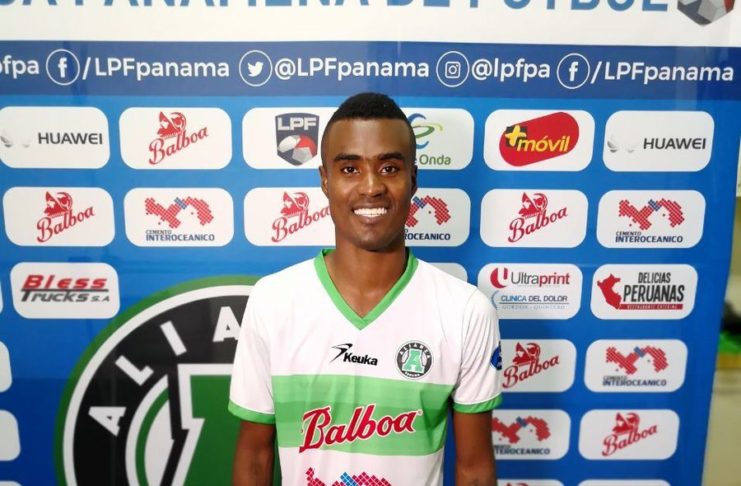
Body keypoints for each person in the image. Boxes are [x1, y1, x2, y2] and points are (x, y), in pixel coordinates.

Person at [229, 92, 502, 486]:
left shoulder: (466, 311)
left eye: (389, 168)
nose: (371, 187)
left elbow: (474, 471)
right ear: (325, 180)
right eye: (350, 169)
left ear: (413, 179)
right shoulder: (273, 301)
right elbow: (254, 458)